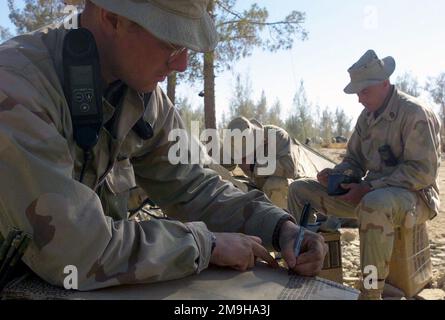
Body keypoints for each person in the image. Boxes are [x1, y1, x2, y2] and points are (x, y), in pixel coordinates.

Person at [0, 0, 327, 291]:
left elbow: (193, 185)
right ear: (112, 17)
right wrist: (205, 245)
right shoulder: (17, 85)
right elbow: (73, 248)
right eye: (172, 44)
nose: (183, 64)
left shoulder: (142, 96)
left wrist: (277, 227)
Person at [288, 49, 441, 299]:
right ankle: (306, 262)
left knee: (373, 203)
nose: (359, 98)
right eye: (357, 92)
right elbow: (354, 160)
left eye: (364, 91)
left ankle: (370, 292)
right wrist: (337, 176)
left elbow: (422, 172)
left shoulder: (414, 113)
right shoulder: (366, 117)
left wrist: (371, 188)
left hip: (416, 199)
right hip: (371, 195)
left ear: (384, 83)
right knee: (299, 189)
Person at [224, 117, 322, 210]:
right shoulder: (235, 142)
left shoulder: (277, 136)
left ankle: (282, 222)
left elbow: (290, 168)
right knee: (232, 185)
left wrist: (253, 166)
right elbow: (223, 165)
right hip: (260, 186)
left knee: (275, 184)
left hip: (294, 190)